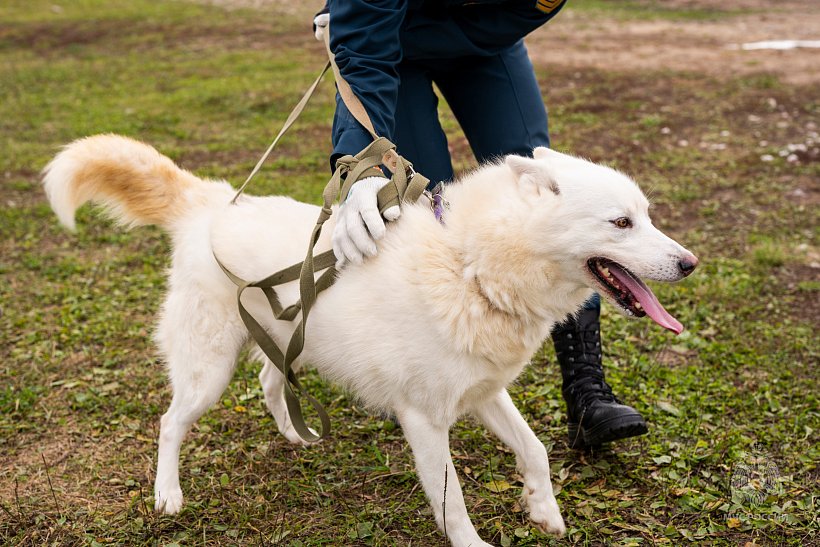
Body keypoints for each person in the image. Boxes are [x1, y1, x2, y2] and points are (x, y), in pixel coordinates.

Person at [317, 0, 648, 449]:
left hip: (487, 41)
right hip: (389, 45)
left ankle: (586, 387)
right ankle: (419, 366)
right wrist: (366, 163)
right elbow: (365, 51)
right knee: (421, 203)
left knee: (551, 195)